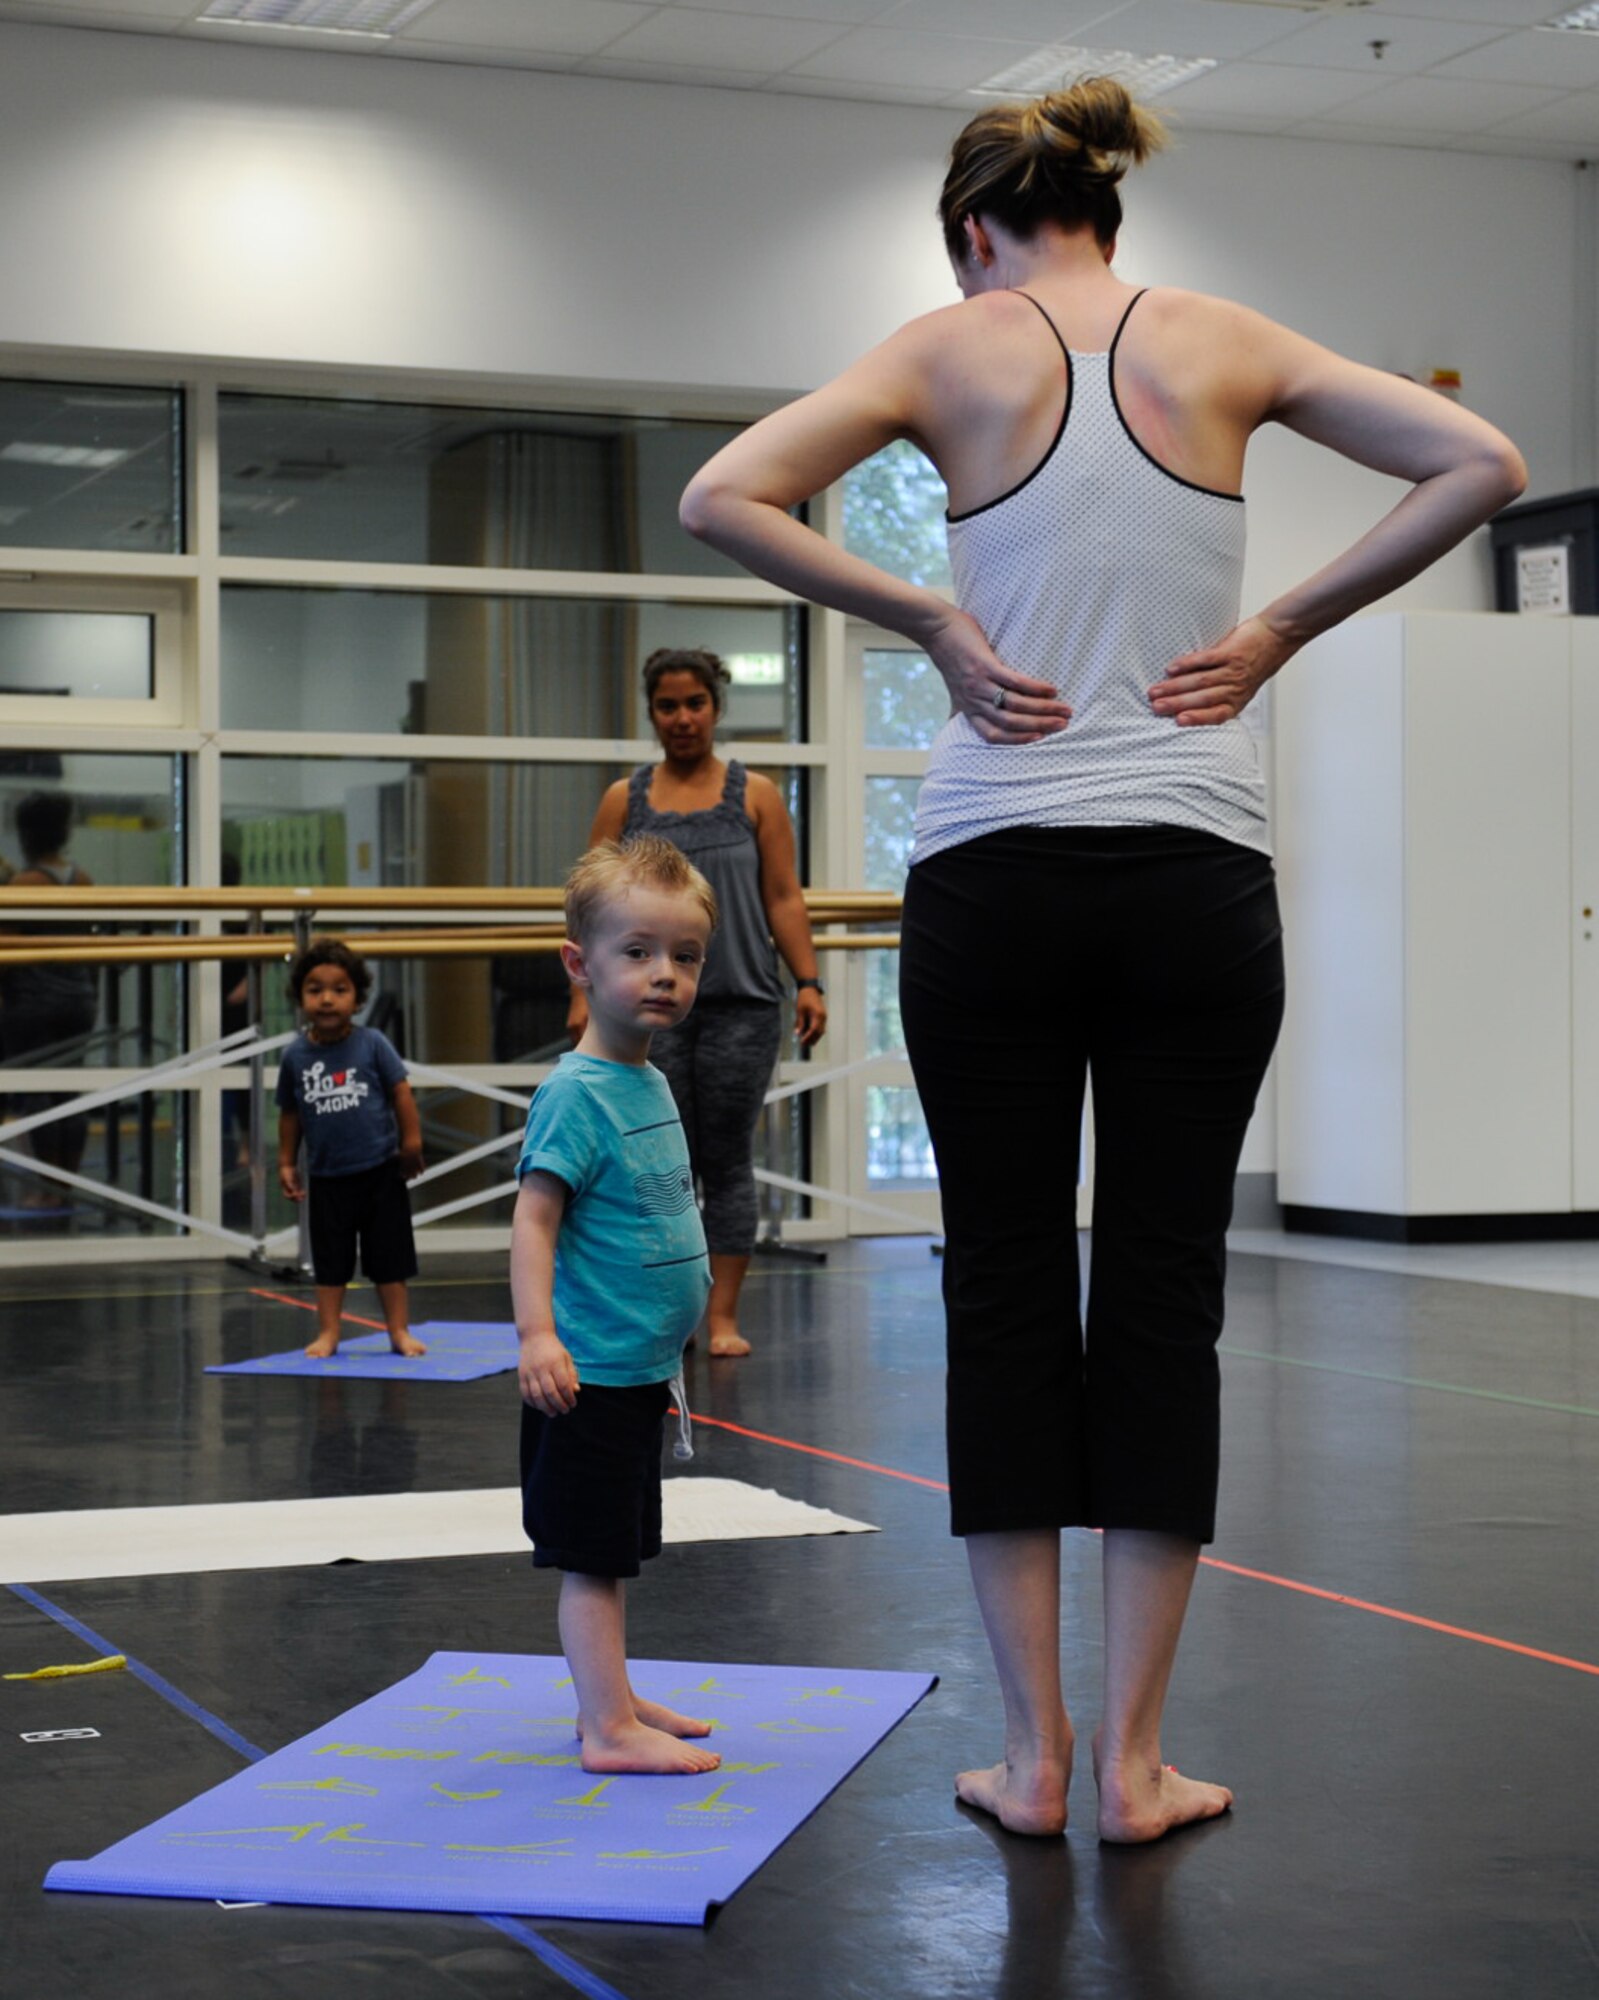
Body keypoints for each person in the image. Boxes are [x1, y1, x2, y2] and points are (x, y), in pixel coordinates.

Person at [678, 81, 1526, 1843]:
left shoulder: (945, 345)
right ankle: (1134, 1768)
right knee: (1158, 1298)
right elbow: (1481, 466)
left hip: (995, 875)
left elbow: (719, 496)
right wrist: (1281, 621)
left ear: (972, 229)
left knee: (998, 1290)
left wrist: (925, 613)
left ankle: (1034, 1758)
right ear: (1104, 216)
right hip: (1191, 881)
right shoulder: (1218, 338)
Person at [514, 834, 722, 1775]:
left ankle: (615, 1692)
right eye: (636, 953)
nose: (664, 975)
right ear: (580, 965)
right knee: (591, 1559)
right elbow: (533, 1223)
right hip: (587, 1375)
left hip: (640, 1371)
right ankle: (606, 1730)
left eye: (683, 957)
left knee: (619, 1548)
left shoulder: (646, 1079)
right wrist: (537, 1335)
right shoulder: (574, 1094)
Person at [570, 647, 827, 1359]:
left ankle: (719, 1317)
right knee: (656, 1158)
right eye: (667, 706)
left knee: (725, 1157)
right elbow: (587, 905)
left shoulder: (758, 795)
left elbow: (782, 895)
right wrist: (579, 993)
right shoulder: (626, 799)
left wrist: (807, 979)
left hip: (741, 1003)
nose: (682, 718)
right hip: (644, 1010)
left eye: (695, 704)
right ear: (651, 712)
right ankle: (665, 1307)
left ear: (715, 708)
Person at [276, 938, 426, 1360]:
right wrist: (287, 1161)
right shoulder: (295, 1057)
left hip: (380, 1171)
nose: (326, 999)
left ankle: (398, 1331)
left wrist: (411, 1142)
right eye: (315, 989)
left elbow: (400, 1092)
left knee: (389, 1258)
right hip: (327, 1177)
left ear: (357, 998)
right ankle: (329, 1332)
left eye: (339, 990)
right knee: (331, 1261)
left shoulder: (372, 1043)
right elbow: (289, 1113)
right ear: (300, 997)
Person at [0, 791, 99, 1207]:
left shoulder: (25, 884)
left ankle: (47, 1189)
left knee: (38, 1091)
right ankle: (66, 1184)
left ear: (26, 836)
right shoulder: (83, 879)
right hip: (79, 1000)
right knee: (67, 1092)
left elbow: (8, 948)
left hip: (34, 1003)